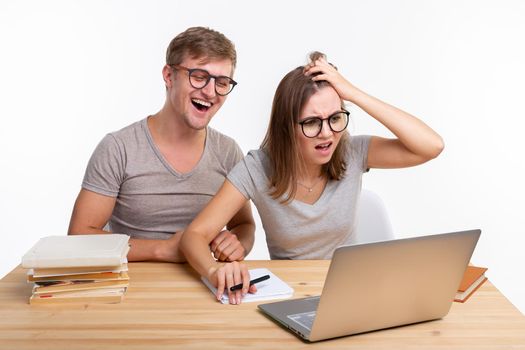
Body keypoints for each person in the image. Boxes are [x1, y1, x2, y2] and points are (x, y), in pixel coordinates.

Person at [180, 51, 444, 304]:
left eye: (335, 118)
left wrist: (351, 93)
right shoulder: (257, 168)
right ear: (286, 127)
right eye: (311, 122)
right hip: (292, 295)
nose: (327, 133)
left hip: (352, 292)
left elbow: (431, 146)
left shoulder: (353, 152)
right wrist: (214, 271)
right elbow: (195, 235)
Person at [68, 27, 255, 263]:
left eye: (222, 82)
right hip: (131, 288)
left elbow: (244, 225)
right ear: (169, 76)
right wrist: (163, 249)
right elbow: (79, 237)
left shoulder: (228, 151)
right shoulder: (118, 148)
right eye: (198, 76)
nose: (210, 92)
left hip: (204, 285)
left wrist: (237, 242)